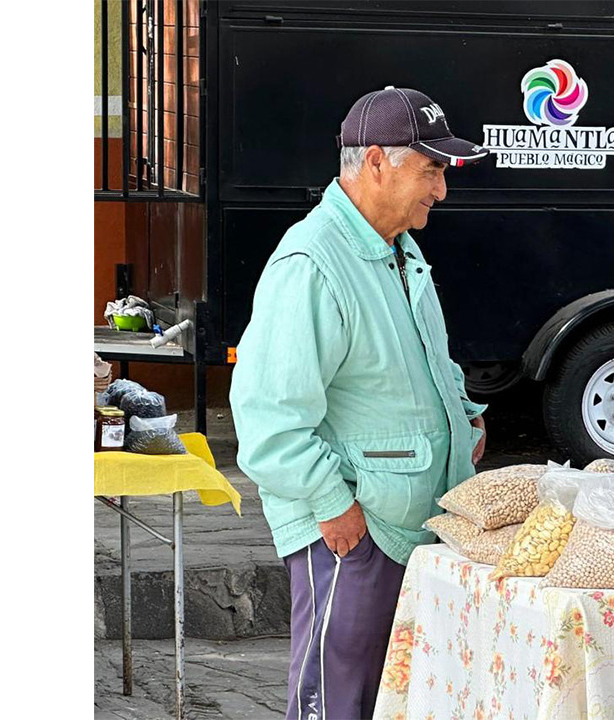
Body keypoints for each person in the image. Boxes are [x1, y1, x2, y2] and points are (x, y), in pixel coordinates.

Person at [230, 86, 491, 720]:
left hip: (408, 523)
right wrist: (334, 508)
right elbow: (268, 422)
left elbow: (423, 359)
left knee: (395, 701)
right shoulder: (312, 263)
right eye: (430, 169)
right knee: (336, 703)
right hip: (352, 531)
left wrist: (464, 416)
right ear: (376, 161)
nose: (441, 189)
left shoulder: (400, 248)